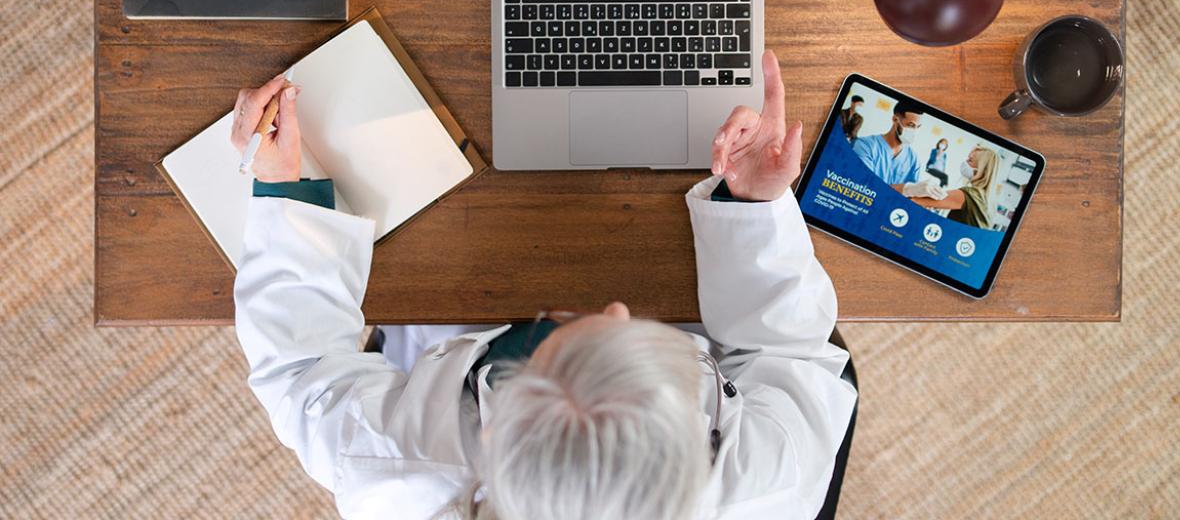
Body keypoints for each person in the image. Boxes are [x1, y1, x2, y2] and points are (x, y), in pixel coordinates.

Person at [230, 52, 857, 520]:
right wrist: (750, 205)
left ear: (490, 437)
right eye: (626, 330)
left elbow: (301, 368)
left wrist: (286, 190)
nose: (614, 307)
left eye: (543, 336)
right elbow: (789, 354)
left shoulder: (390, 469)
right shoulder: (777, 477)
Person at [851, 99, 946, 200]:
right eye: (911, 125)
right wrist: (907, 189)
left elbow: (910, 199)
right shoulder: (865, 145)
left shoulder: (913, 160)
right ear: (895, 120)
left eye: (918, 127)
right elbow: (863, 186)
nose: (914, 131)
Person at [910, 145, 999, 229]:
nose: (965, 162)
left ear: (982, 170)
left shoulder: (969, 194)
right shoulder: (985, 198)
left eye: (970, 160)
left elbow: (915, 200)